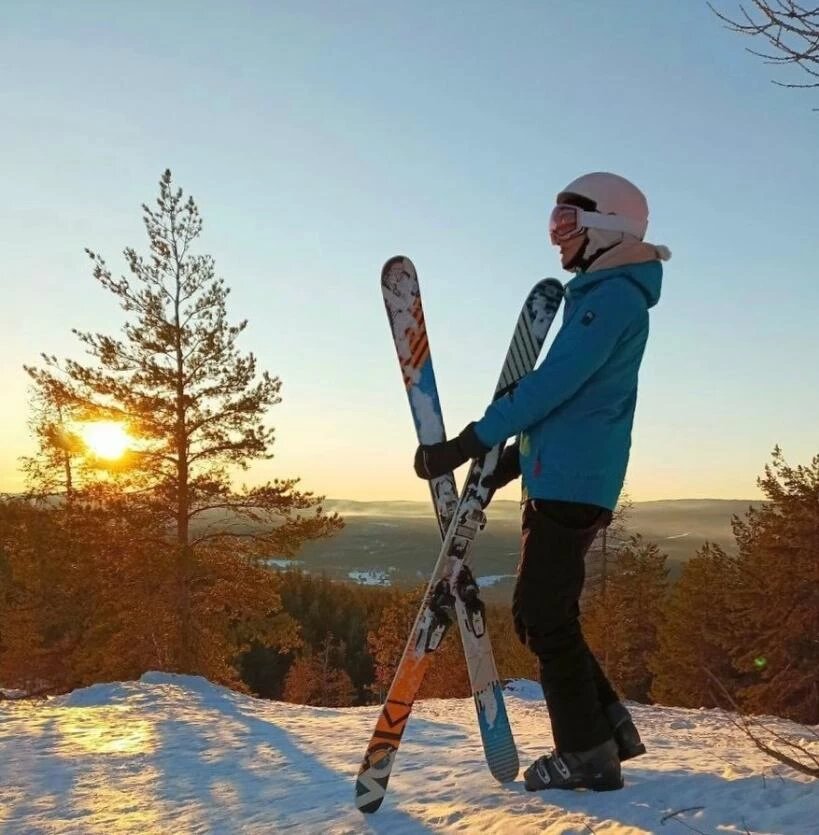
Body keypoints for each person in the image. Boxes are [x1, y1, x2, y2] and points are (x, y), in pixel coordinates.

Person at [413, 172, 670, 792]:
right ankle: (608, 726)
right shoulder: (604, 294)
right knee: (541, 616)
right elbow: (575, 407)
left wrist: (470, 441)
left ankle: (587, 754)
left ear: (607, 226)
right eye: (554, 221)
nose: (557, 236)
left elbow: (550, 387)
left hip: (573, 485)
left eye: (568, 222)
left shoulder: (609, 300)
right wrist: (510, 464)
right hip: (566, 476)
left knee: (542, 614)